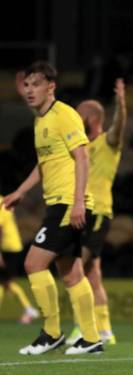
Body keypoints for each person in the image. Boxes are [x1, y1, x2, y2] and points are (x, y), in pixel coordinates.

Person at [5, 61, 102, 355]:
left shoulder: (65, 115)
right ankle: (91, 338)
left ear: (51, 86)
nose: (30, 90)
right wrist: (21, 191)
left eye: (36, 84)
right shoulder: (40, 121)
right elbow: (44, 164)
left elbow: (82, 158)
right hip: (58, 203)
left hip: (67, 203)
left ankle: (51, 333)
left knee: (33, 264)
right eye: (27, 85)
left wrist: (76, 202)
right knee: (71, 274)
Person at [66, 78, 126, 346]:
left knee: (73, 267)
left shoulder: (106, 143)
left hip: (97, 211)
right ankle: (104, 331)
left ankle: (84, 329)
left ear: (90, 117)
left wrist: (121, 105)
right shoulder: (82, 148)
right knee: (92, 274)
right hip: (84, 210)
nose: (75, 118)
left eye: (79, 113)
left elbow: (118, 129)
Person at [0, 195, 39, 323]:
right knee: (6, 282)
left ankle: (29, 309)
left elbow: (0, 229)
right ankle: (28, 309)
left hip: (8, 248)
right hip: (11, 246)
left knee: (4, 282)